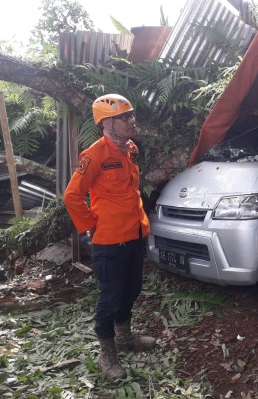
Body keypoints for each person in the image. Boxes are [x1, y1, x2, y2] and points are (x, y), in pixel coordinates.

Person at [64, 93, 156, 381]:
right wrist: (90, 225)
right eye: (124, 117)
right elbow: (72, 196)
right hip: (109, 240)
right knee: (110, 297)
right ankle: (107, 354)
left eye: (131, 115)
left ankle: (125, 337)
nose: (131, 121)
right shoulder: (93, 156)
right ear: (107, 123)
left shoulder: (130, 150)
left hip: (134, 233)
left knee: (132, 289)